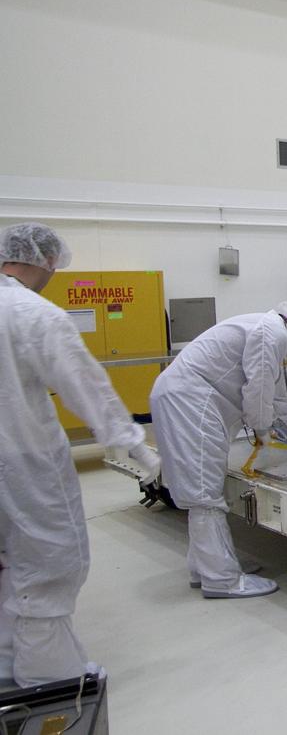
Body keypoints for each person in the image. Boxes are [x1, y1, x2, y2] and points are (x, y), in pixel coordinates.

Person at [0, 223, 160, 687]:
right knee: (51, 560)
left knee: (10, 562)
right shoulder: (31, 313)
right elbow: (86, 386)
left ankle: (9, 659)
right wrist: (136, 447)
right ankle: (46, 674)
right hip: (25, 460)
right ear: (45, 261)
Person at [150, 300, 287, 598]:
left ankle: (207, 567)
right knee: (204, 495)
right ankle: (221, 580)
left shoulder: (269, 333)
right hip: (191, 404)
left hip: (188, 400)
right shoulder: (273, 334)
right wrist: (261, 428)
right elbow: (258, 390)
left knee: (203, 493)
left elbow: (279, 396)